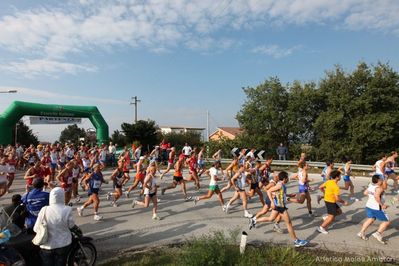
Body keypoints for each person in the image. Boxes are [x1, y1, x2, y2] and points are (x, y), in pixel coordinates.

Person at [248, 171, 308, 247]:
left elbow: (280, 194)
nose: (288, 179)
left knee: (270, 219)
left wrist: (289, 195)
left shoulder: (282, 185)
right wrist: (272, 202)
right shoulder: (279, 185)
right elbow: (269, 191)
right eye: (287, 178)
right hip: (280, 207)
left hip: (278, 206)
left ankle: (254, 220)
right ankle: (296, 241)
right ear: (284, 178)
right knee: (289, 223)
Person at [34, 187, 75, 266]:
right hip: (63, 244)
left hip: (46, 246)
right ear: (62, 196)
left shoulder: (44, 210)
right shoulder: (67, 209)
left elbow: (36, 228)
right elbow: (71, 225)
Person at [357, 174, 391, 244]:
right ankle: (378, 233)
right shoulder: (379, 188)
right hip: (376, 207)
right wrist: (382, 205)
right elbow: (376, 196)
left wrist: (371, 195)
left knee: (371, 219)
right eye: (381, 179)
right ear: (378, 180)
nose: (382, 180)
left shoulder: (371, 185)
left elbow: (365, 193)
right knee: (387, 221)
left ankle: (361, 232)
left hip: (369, 205)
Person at [317, 170, 348, 234]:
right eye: (340, 176)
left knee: (339, 211)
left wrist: (324, 193)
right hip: (330, 202)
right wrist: (344, 202)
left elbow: (320, 187)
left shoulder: (328, 182)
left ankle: (326, 217)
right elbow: (337, 199)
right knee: (331, 217)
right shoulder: (336, 187)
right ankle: (321, 227)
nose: (340, 177)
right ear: (337, 177)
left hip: (329, 200)